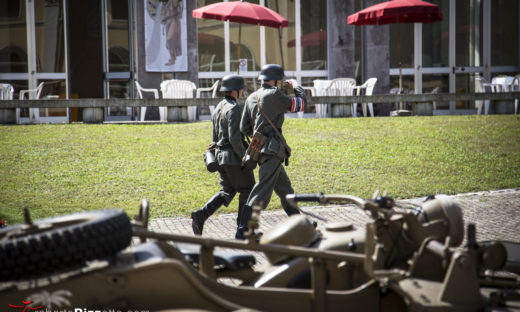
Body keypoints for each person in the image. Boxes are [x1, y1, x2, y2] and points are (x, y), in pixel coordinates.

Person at [238, 64, 306, 239]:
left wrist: (258, 137)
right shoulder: (274, 95)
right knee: (261, 191)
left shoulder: (251, 97)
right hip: (273, 150)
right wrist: (296, 86)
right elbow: (300, 105)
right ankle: (243, 229)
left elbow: (244, 127)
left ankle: (300, 224)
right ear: (275, 80)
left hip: (260, 149)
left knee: (285, 189)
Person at [191, 75, 255, 237]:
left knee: (227, 190)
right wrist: (244, 157)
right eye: (241, 89)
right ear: (235, 91)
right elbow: (235, 138)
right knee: (248, 189)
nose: (242, 92)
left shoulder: (219, 106)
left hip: (220, 157)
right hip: (233, 158)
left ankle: (201, 215)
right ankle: (242, 230)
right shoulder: (234, 108)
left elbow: (214, 138)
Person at [160, 0, 183, 65]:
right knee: (168, 42)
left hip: (174, 20)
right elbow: (162, 14)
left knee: (170, 39)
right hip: (168, 21)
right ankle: (172, 58)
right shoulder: (164, 4)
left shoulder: (173, 1)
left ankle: (173, 57)